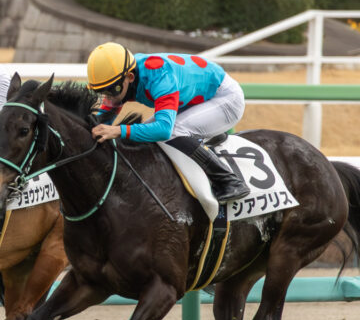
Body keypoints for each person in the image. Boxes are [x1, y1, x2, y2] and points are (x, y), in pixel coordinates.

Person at [86, 42, 250, 203]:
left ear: (130, 77)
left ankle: (229, 181)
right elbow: (100, 122)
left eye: (111, 90)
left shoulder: (158, 75)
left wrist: (118, 130)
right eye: (101, 91)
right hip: (194, 100)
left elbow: (164, 130)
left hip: (225, 99)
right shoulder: (120, 77)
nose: (108, 97)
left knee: (172, 132)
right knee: (147, 135)